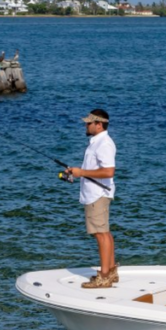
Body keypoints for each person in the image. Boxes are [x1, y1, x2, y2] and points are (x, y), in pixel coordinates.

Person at [66, 108, 117, 289]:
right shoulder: (96, 142)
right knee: (104, 232)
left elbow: (109, 171)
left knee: (100, 234)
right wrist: (76, 172)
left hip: (98, 195)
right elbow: (96, 169)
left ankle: (104, 276)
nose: (86, 125)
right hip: (95, 194)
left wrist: (82, 173)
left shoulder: (104, 144)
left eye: (89, 123)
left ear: (99, 124)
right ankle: (110, 271)